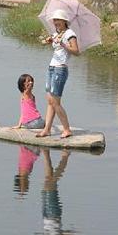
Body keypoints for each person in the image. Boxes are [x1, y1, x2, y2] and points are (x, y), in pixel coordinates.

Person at [37, 9, 79, 138]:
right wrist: (51, 41)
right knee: (50, 100)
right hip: (52, 67)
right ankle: (47, 129)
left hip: (60, 69)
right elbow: (57, 48)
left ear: (64, 21)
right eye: (54, 20)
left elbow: (76, 51)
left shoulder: (70, 34)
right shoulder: (57, 33)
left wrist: (64, 45)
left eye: (58, 20)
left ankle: (67, 129)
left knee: (55, 101)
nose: (55, 22)